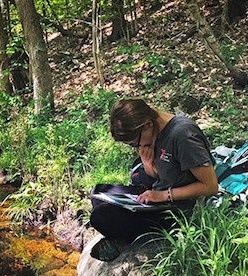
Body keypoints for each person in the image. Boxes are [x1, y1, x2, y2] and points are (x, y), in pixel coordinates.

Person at [89, 99, 219, 261]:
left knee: (101, 216)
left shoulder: (183, 136)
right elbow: (170, 173)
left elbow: (211, 186)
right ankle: (122, 235)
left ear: (147, 125)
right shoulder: (155, 132)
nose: (136, 147)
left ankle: (122, 239)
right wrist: (149, 167)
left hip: (177, 208)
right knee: (97, 193)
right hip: (157, 195)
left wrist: (164, 195)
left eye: (134, 143)